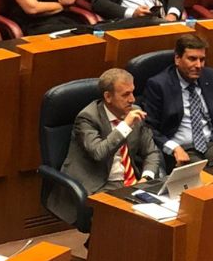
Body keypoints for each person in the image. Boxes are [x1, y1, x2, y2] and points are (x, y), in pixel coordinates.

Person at [140, 34, 213, 170]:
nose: (199, 65)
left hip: (209, 143)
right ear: (177, 59)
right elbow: (149, 128)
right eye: (192, 59)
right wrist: (174, 148)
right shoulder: (159, 85)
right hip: (180, 147)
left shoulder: (210, 77)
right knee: (196, 171)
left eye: (202, 60)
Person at [60, 68, 162, 196]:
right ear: (108, 96)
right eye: (125, 95)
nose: (132, 100)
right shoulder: (87, 118)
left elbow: (151, 152)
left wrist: (146, 178)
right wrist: (125, 125)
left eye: (132, 93)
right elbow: (99, 153)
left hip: (132, 182)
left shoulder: (134, 112)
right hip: (99, 186)